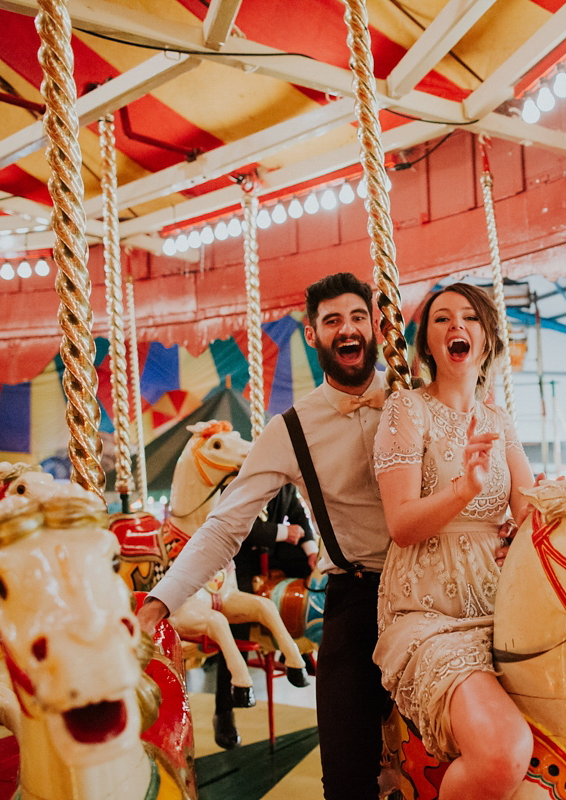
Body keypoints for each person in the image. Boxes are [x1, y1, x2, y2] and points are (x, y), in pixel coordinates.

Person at [372, 283, 566, 800]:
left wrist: (564, 501)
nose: (456, 326)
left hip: (505, 597)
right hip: (431, 608)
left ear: (486, 340)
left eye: (469, 318)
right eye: (442, 319)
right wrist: (463, 488)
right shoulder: (406, 410)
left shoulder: (498, 422)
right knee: (501, 754)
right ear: (426, 344)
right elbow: (401, 524)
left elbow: (526, 508)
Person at [138, 272, 392, 799]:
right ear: (312, 335)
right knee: (346, 776)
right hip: (358, 593)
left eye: (358, 317)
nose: (348, 330)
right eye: (333, 321)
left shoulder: (412, 395)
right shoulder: (289, 430)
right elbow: (225, 526)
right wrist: (161, 601)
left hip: (435, 587)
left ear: (376, 325)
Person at [211, 483, 318, 749]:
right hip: (240, 559)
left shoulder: (284, 486)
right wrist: (284, 532)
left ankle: (297, 642)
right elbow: (244, 527)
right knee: (236, 626)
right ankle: (224, 711)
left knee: (312, 570)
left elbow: (300, 517)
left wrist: (312, 551)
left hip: (270, 555)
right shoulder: (240, 481)